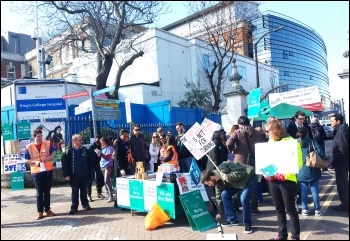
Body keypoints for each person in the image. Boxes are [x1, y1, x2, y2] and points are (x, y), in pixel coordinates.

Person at [264, 120, 302, 240]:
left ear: (275, 130)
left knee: (291, 210)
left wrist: (285, 174)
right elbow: (267, 161)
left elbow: (299, 163)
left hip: (288, 181)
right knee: (278, 209)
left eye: (268, 131)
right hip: (274, 181)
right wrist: (267, 173)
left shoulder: (292, 142)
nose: (266, 133)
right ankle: (282, 235)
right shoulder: (270, 142)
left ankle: (295, 237)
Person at [200, 161, 255, 234]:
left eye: (208, 183)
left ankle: (247, 224)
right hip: (236, 184)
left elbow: (242, 172)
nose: (209, 186)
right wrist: (219, 212)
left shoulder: (223, 167)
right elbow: (218, 197)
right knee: (224, 195)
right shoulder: (217, 182)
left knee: (244, 199)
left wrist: (229, 176)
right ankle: (232, 220)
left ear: (212, 177)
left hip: (248, 179)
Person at [226, 116, 262, 215]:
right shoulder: (257, 133)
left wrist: (233, 150)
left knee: (238, 183)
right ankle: (254, 208)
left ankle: (237, 207)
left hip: (240, 161)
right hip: (253, 161)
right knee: (252, 184)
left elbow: (228, 143)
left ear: (239, 124)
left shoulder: (237, 132)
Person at [24, 129, 57, 220]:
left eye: (41, 136)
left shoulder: (47, 143)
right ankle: (40, 212)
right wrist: (34, 162)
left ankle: (48, 210)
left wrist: (49, 158)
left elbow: (54, 152)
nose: (40, 138)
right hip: (37, 172)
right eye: (38, 136)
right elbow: (25, 160)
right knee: (39, 192)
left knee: (47, 191)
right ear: (34, 137)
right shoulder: (29, 147)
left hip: (47, 171)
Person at [296, 127, 325, 216]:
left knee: (303, 191)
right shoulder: (312, 142)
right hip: (313, 168)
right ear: (307, 134)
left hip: (301, 169)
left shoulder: (295, 143)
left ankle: (304, 209)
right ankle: (317, 210)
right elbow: (322, 153)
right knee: (314, 190)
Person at [61, 134, 92, 215]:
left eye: (81, 140)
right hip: (74, 176)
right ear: (74, 141)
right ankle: (74, 207)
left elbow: (89, 161)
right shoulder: (68, 151)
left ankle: (85, 204)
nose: (81, 141)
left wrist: (90, 172)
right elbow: (64, 165)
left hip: (84, 174)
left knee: (84, 191)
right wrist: (66, 175)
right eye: (79, 140)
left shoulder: (85, 150)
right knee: (75, 192)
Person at [329, 113, 349, 212]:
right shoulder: (340, 130)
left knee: (342, 184)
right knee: (343, 183)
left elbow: (342, 149)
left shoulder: (341, 131)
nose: (330, 123)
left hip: (342, 163)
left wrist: (334, 160)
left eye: (332, 121)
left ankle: (345, 205)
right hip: (341, 163)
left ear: (338, 121)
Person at [96, 136, 115, 203]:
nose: (101, 143)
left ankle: (111, 196)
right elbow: (103, 157)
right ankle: (110, 194)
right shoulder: (103, 148)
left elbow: (107, 157)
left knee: (106, 180)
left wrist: (100, 153)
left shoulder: (110, 148)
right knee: (106, 181)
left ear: (105, 141)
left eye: (102, 142)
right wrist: (99, 153)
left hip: (108, 165)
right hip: (103, 165)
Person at [88, 135, 105, 200]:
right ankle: (89, 195)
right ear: (95, 139)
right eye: (97, 140)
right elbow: (89, 156)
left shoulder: (101, 146)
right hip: (92, 165)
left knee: (100, 179)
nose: (98, 141)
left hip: (99, 164)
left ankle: (99, 193)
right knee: (90, 181)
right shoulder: (92, 147)